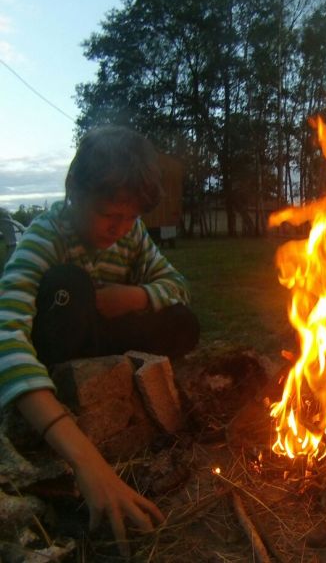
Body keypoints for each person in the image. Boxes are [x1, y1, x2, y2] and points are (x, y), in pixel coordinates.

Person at [0, 126, 200, 554]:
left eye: (131, 217)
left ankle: (115, 372)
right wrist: (86, 460)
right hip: (62, 340)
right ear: (75, 192)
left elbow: (177, 284)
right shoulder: (45, 237)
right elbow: (7, 334)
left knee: (182, 319)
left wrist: (134, 296)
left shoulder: (131, 235)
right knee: (67, 284)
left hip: (107, 336)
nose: (120, 228)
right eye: (110, 214)